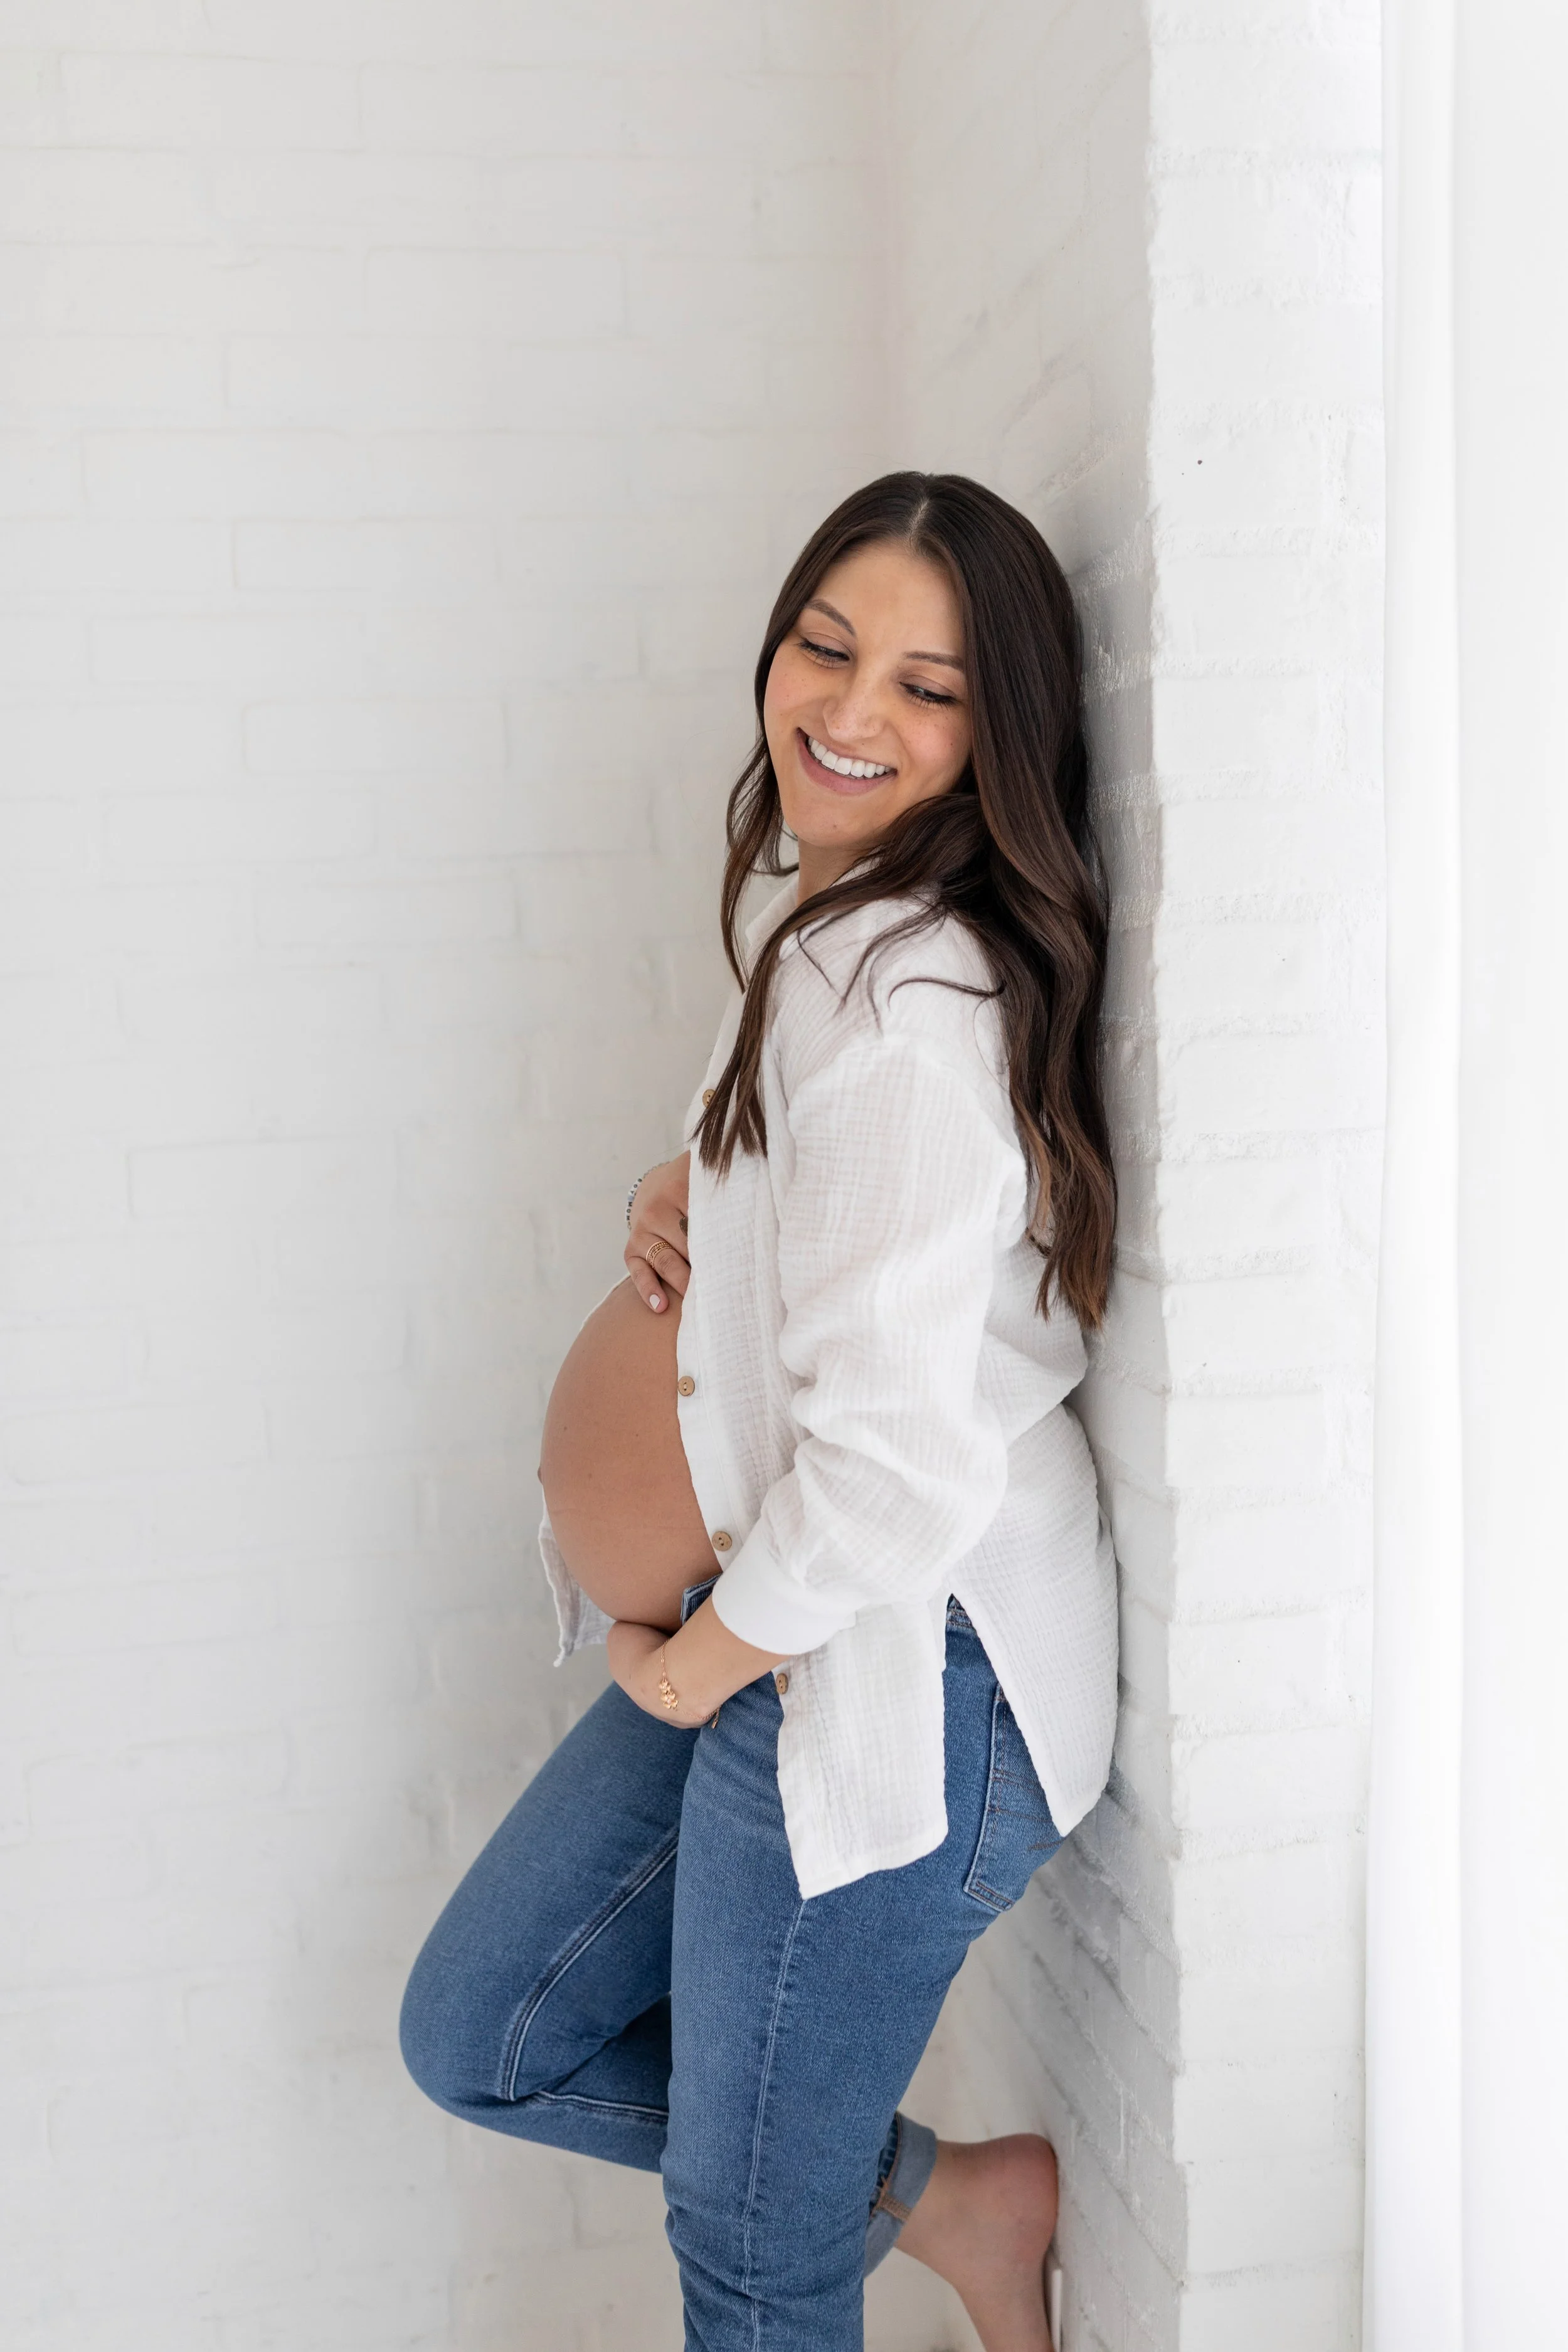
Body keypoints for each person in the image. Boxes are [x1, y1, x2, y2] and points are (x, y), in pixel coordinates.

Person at [400, 472, 1119, 2352]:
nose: (849, 709)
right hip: (797, 1627)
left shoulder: (894, 998)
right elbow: (871, 1276)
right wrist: (703, 1188)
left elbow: (893, 1468)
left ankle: (904, 2205)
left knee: (752, 2258)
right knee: (482, 2025)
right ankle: (956, 2199)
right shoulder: (832, 938)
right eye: (824, 644)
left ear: (994, 740)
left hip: (894, 1657)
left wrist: (699, 1664)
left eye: (926, 687)